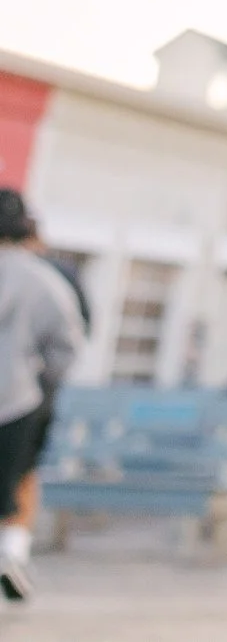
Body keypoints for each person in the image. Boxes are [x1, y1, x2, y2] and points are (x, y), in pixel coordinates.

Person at [0, 191, 81, 603]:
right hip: (17, 401)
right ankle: (12, 556)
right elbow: (65, 346)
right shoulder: (43, 280)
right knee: (17, 483)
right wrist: (41, 382)